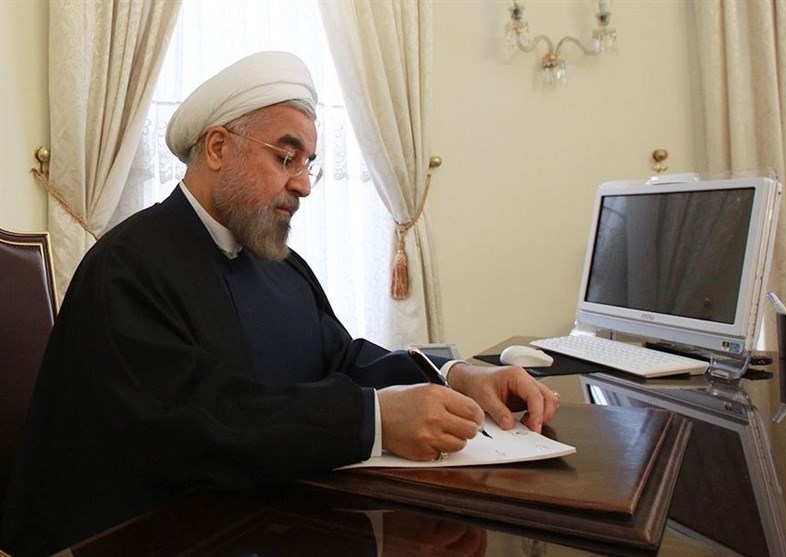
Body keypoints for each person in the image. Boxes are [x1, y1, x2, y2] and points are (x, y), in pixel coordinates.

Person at [0, 51, 559, 555]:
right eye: (286, 157)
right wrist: (375, 420)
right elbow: (196, 423)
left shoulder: (278, 263)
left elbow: (341, 357)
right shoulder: (127, 267)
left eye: (308, 163)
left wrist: (457, 376)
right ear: (218, 147)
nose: (304, 185)